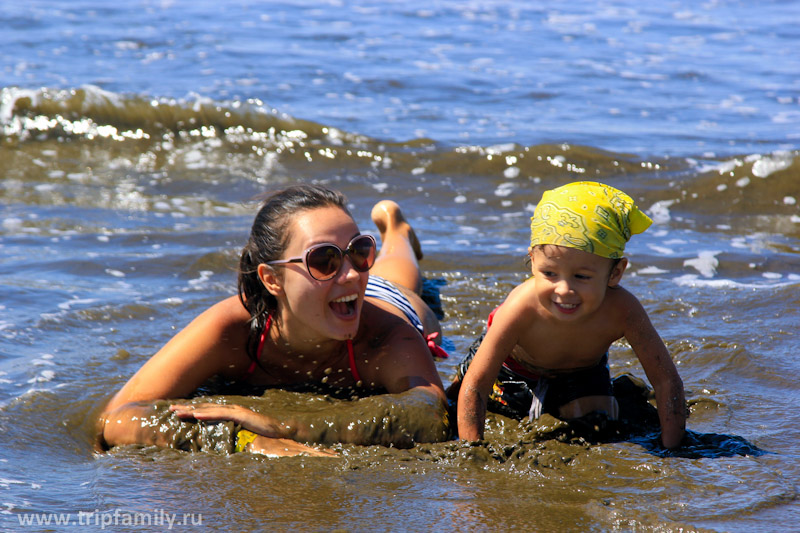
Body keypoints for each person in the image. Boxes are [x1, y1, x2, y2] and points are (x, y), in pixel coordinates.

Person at [98, 184, 449, 457]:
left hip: (391, 303)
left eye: (358, 251)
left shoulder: (387, 337)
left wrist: (280, 426)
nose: (350, 273)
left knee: (398, 279)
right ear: (272, 279)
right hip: (331, 305)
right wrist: (246, 440)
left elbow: (429, 413)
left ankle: (396, 231)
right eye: (324, 260)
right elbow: (116, 417)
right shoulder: (232, 329)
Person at [453, 181, 686, 449]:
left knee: (600, 422)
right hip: (510, 371)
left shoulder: (624, 310)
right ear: (532, 261)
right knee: (461, 396)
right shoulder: (522, 306)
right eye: (549, 273)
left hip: (582, 372)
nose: (564, 290)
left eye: (582, 276)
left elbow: (666, 379)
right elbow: (477, 383)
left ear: (615, 273)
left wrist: (674, 450)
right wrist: (471, 453)